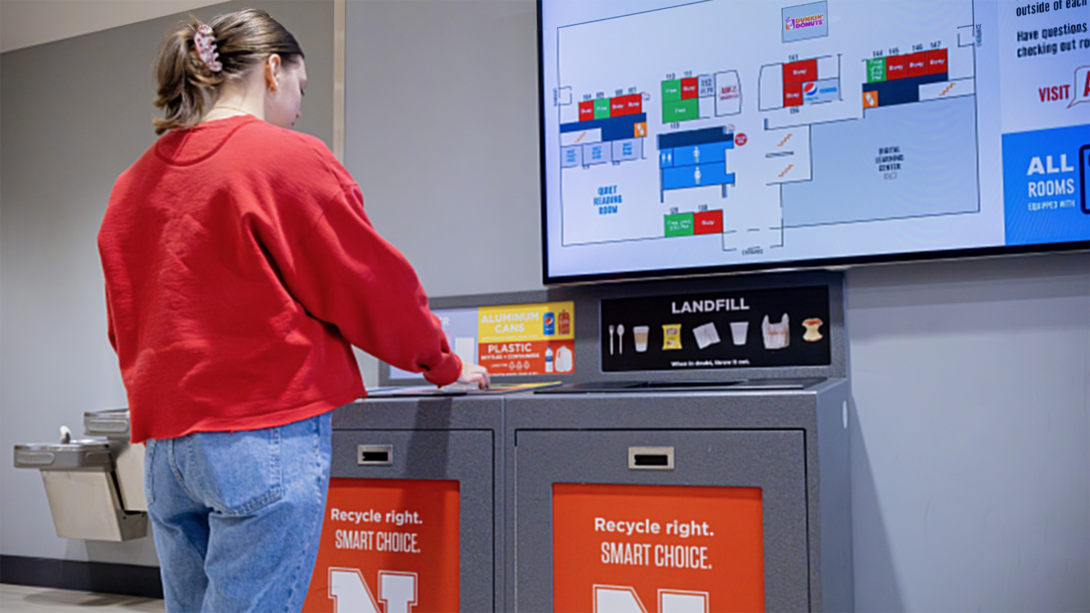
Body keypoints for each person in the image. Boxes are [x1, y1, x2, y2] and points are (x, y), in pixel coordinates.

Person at [97, 9, 489, 612]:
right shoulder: (284, 159)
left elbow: (125, 326)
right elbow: (369, 286)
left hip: (167, 452)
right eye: (301, 89)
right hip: (261, 438)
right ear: (274, 70)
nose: (300, 109)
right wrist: (441, 362)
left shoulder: (130, 187)